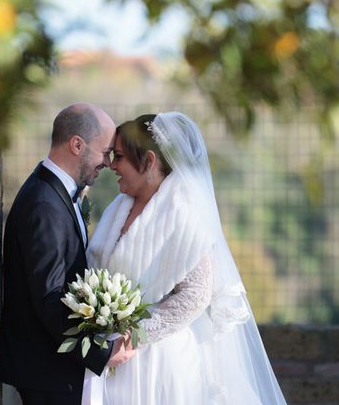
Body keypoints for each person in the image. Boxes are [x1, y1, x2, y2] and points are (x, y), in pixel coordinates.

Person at [85, 112, 287, 404]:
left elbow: (195, 294)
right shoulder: (118, 207)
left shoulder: (186, 212)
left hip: (160, 361)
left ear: (149, 161)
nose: (112, 166)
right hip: (112, 358)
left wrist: (135, 336)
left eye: (120, 158)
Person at [0, 103, 136, 405]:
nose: (108, 163)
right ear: (77, 145)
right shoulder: (44, 206)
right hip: (47, 373)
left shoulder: (54, 194)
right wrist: (101, 353)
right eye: (104, 152)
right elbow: (50, 297)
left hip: (53, 371)